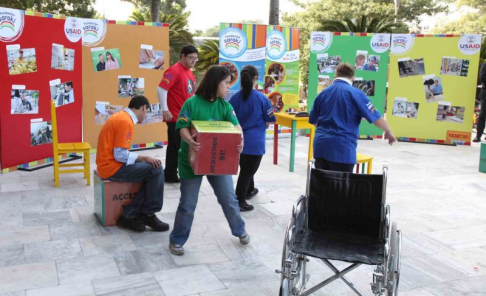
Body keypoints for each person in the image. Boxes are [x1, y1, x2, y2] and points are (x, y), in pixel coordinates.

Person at [169, 65, 250, 256]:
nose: (228, 87)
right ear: (215, 83)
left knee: (228, 199)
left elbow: (237, 128)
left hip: (217, 160)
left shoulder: (225, 106)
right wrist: (191, 141)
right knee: (188, 204)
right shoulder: (191, 104)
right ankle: (177, 240)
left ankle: (240, 230)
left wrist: (240, 142)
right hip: (191, 161)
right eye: (226, 83)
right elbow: (182, 128)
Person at [96, 95, 168, 232]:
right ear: (143, 108)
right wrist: (144, 158)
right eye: (146, 112)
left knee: (151, 173)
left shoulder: (121, 117)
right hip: (111, 167)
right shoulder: (125, 121)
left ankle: (130, 214)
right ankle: (148, 213)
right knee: (156, 169)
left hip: (107, 164)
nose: (145, 115)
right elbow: (120, 155)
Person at [309, 63, 396, 172]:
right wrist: (388, 130)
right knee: (342, 187)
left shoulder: (322, 94)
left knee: (323, 185)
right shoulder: (356, 94)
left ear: (335, 76)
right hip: (343, 149)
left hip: (321, 148)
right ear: (353, 79)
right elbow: (375, 116)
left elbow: (313, 120)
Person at [230, 65, 276, 212]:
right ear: (255, 78)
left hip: (238, 140)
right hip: (255, 142)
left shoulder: (234, 98)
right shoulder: (262, 99)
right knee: (248, 171)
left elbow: (229, 119)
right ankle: (240, 199)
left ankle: (249, 190)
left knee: (246, 167)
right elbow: (269, 121)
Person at [157, 45, 198, 183]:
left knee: (174, 147)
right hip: (176, 117)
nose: (193, 61)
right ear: (182, 56)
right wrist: (165, 109)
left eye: (195, 59)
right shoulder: (174, 70)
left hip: (185, 116)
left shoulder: (189, 72)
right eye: (191, 58)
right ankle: (185, 175)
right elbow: (161, 89)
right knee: (183, 147)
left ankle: (170, 174)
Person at [474, 62, 486, 142]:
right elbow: (482, 78)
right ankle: (478, 136)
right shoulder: (484, 65)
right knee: (482, 115)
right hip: (485, 94)